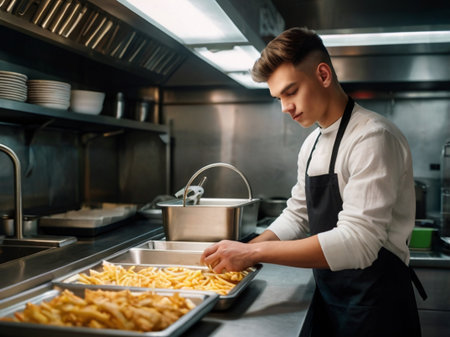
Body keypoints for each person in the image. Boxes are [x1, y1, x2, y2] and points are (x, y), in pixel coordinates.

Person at [201, 27, 426, 337]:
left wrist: (252, 254)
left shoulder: (372, 137)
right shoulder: (311, 145)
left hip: (377, 309)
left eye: (290, 91)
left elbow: (358, 242)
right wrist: (241, 253)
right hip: (331, 298)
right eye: (279, 97)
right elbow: (298, 214)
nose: (284, 107)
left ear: (323, 75)